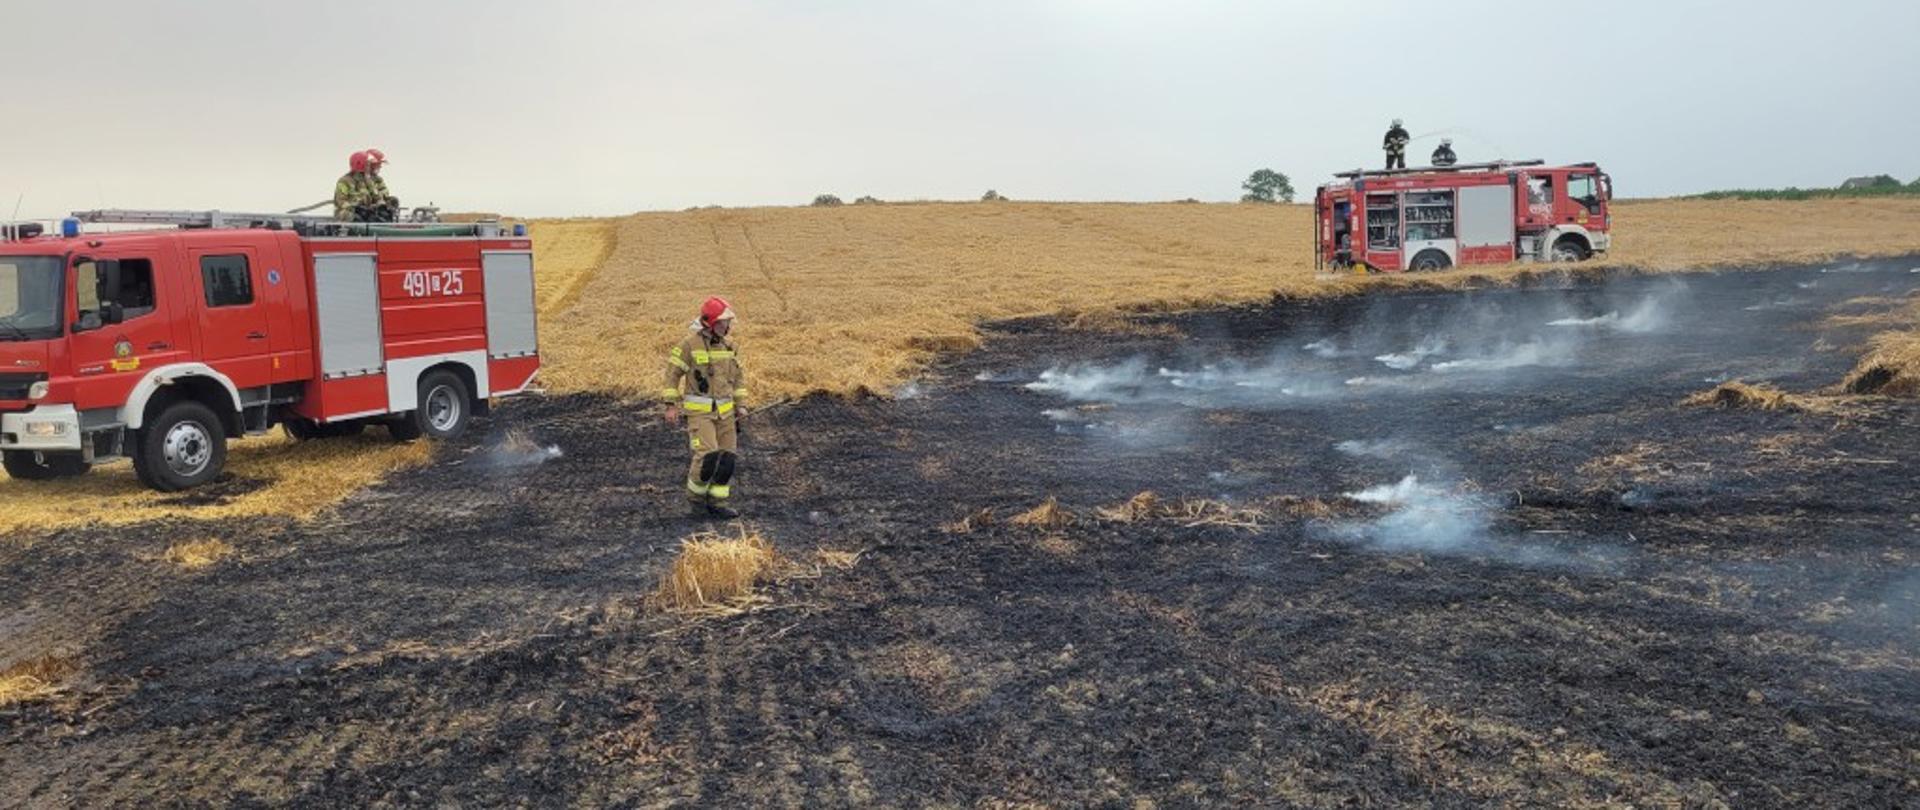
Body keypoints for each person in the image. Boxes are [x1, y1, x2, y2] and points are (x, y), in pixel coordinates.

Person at [661, 297, 749, 519]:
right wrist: (670, 405)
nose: (728, 326)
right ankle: (696, 501)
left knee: (727, 459)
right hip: (700, 414)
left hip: (726, 414)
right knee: (707, 455)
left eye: (728, 322)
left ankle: (717, 502)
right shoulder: (689, 346)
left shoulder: (731, 347)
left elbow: (738, 380)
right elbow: (672, 375)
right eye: (723, 322)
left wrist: (741, 407)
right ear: (711, 323)